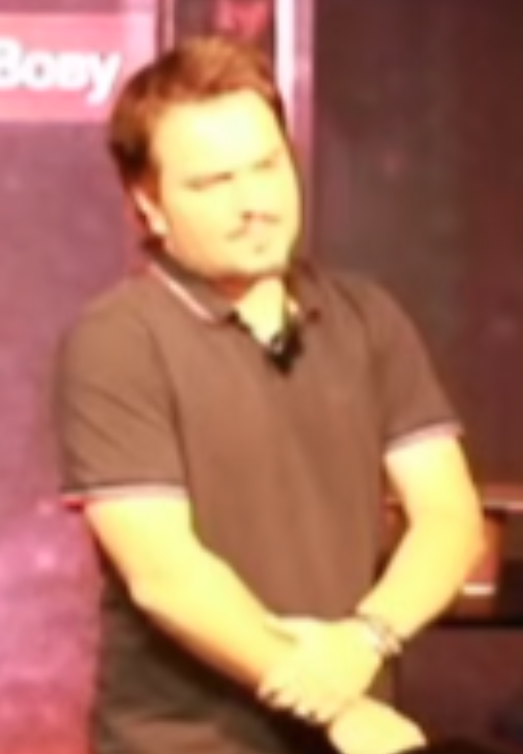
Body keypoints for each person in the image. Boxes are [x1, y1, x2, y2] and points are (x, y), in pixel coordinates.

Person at [54, 35, 485, 754]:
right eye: (213, 183)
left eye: (266, 166)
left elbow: (448, 517)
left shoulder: (366, 317)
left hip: (356, 723)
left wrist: (365, 639)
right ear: (149, 206)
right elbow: (164, 572)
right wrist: (332, 701)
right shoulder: (118, 341)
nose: (254, 203)